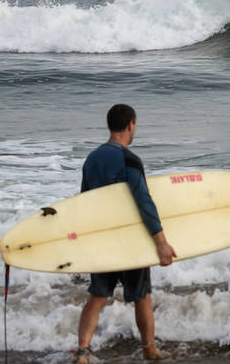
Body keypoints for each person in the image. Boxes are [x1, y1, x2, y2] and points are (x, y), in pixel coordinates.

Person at [75, 104, 177, 362]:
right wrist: (161, 242)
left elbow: (83, 202)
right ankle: (150, 350)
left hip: (102, 239)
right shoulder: (128, 159)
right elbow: (144, 202)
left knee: (96, 298)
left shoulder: (92, 159)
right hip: (130, 242)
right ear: (131, 124)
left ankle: (83, 351)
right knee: (141, 298)